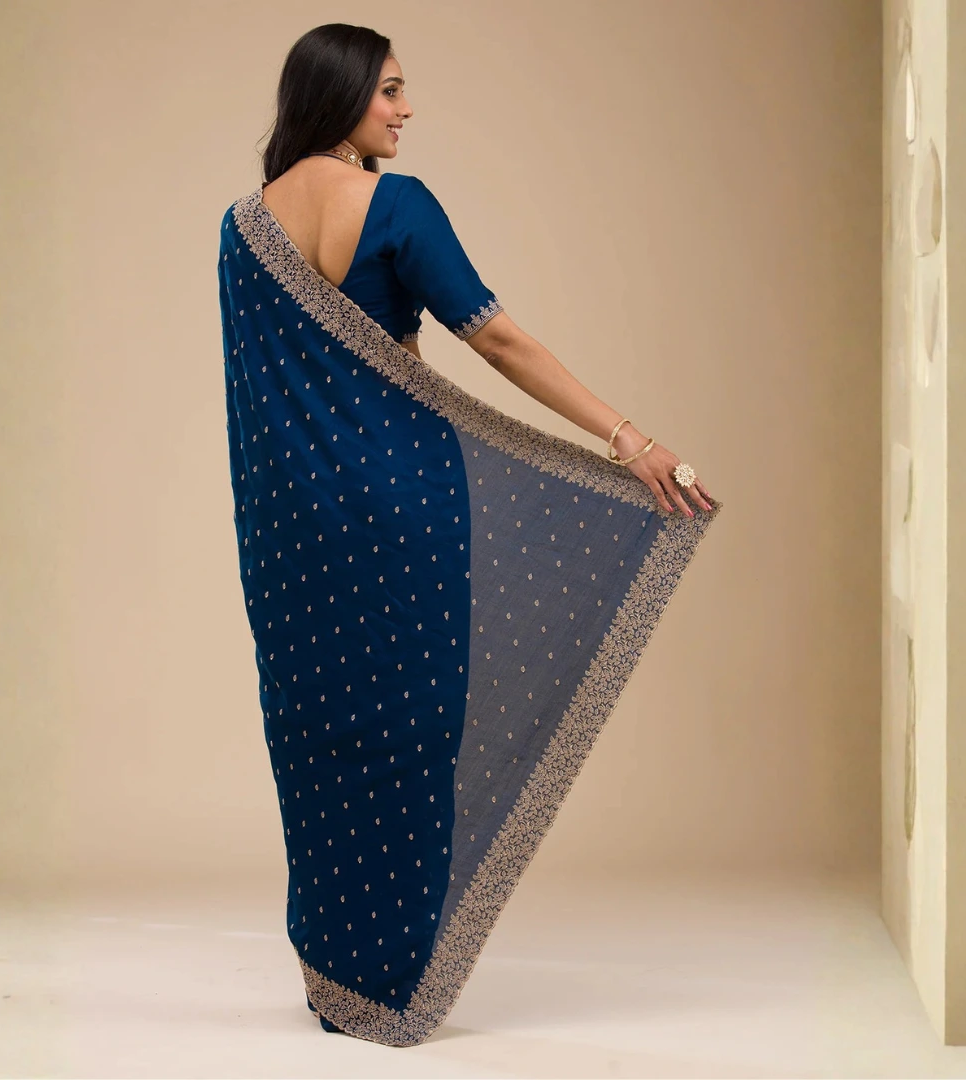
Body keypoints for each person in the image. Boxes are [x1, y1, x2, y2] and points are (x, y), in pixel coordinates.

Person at [217, 22, 720, 1048]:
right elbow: (496, 339)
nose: (406, 110)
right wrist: (630, 441)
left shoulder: (241, 228)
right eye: (390, 91)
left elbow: (254, 406)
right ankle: (389, 982)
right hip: (406, 507)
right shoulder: (397, 205)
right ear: (340, 94)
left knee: (315, 735)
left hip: (292, 531)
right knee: (412, 732)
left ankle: (334, 978)